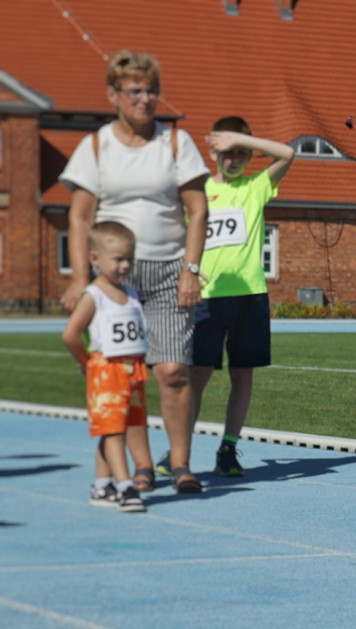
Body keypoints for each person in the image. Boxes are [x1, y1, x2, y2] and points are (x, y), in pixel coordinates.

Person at [59, 49, 210, 494]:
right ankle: (140, 465)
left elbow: (198, 210)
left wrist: (191, 269)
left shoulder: (177, 143)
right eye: (135, 91)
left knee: (173, 371)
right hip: (114, 280)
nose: (145, 99)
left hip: (168, 271)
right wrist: (78, 278)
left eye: (152, 91)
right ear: (114, 95)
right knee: (124, 378)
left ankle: (179, 463)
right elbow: (80, 216)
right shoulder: (95, 146)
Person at [189, 117, 295, 476]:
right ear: (213, 151)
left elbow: (287, 153)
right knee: (197, 375)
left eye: (241, 152)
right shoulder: (198, 189)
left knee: (242, 376)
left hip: (250, 295)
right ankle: (178, 452)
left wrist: (242, 138)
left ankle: (228, 449)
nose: (233, 159)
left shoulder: (256, 186)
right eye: (227, 152)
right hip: (207, 295)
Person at [62, 222, 149, 512]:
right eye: (118, 259)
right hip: (106, 370)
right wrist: (86, 364)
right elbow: (71, 334)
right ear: (94, 258)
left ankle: (102, 484)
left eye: (129, 259)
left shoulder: (132, 293)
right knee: (113, 430)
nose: (125, 265)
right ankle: (125, 485)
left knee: (119, 427)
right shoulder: (94, 295)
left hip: (133, 370)